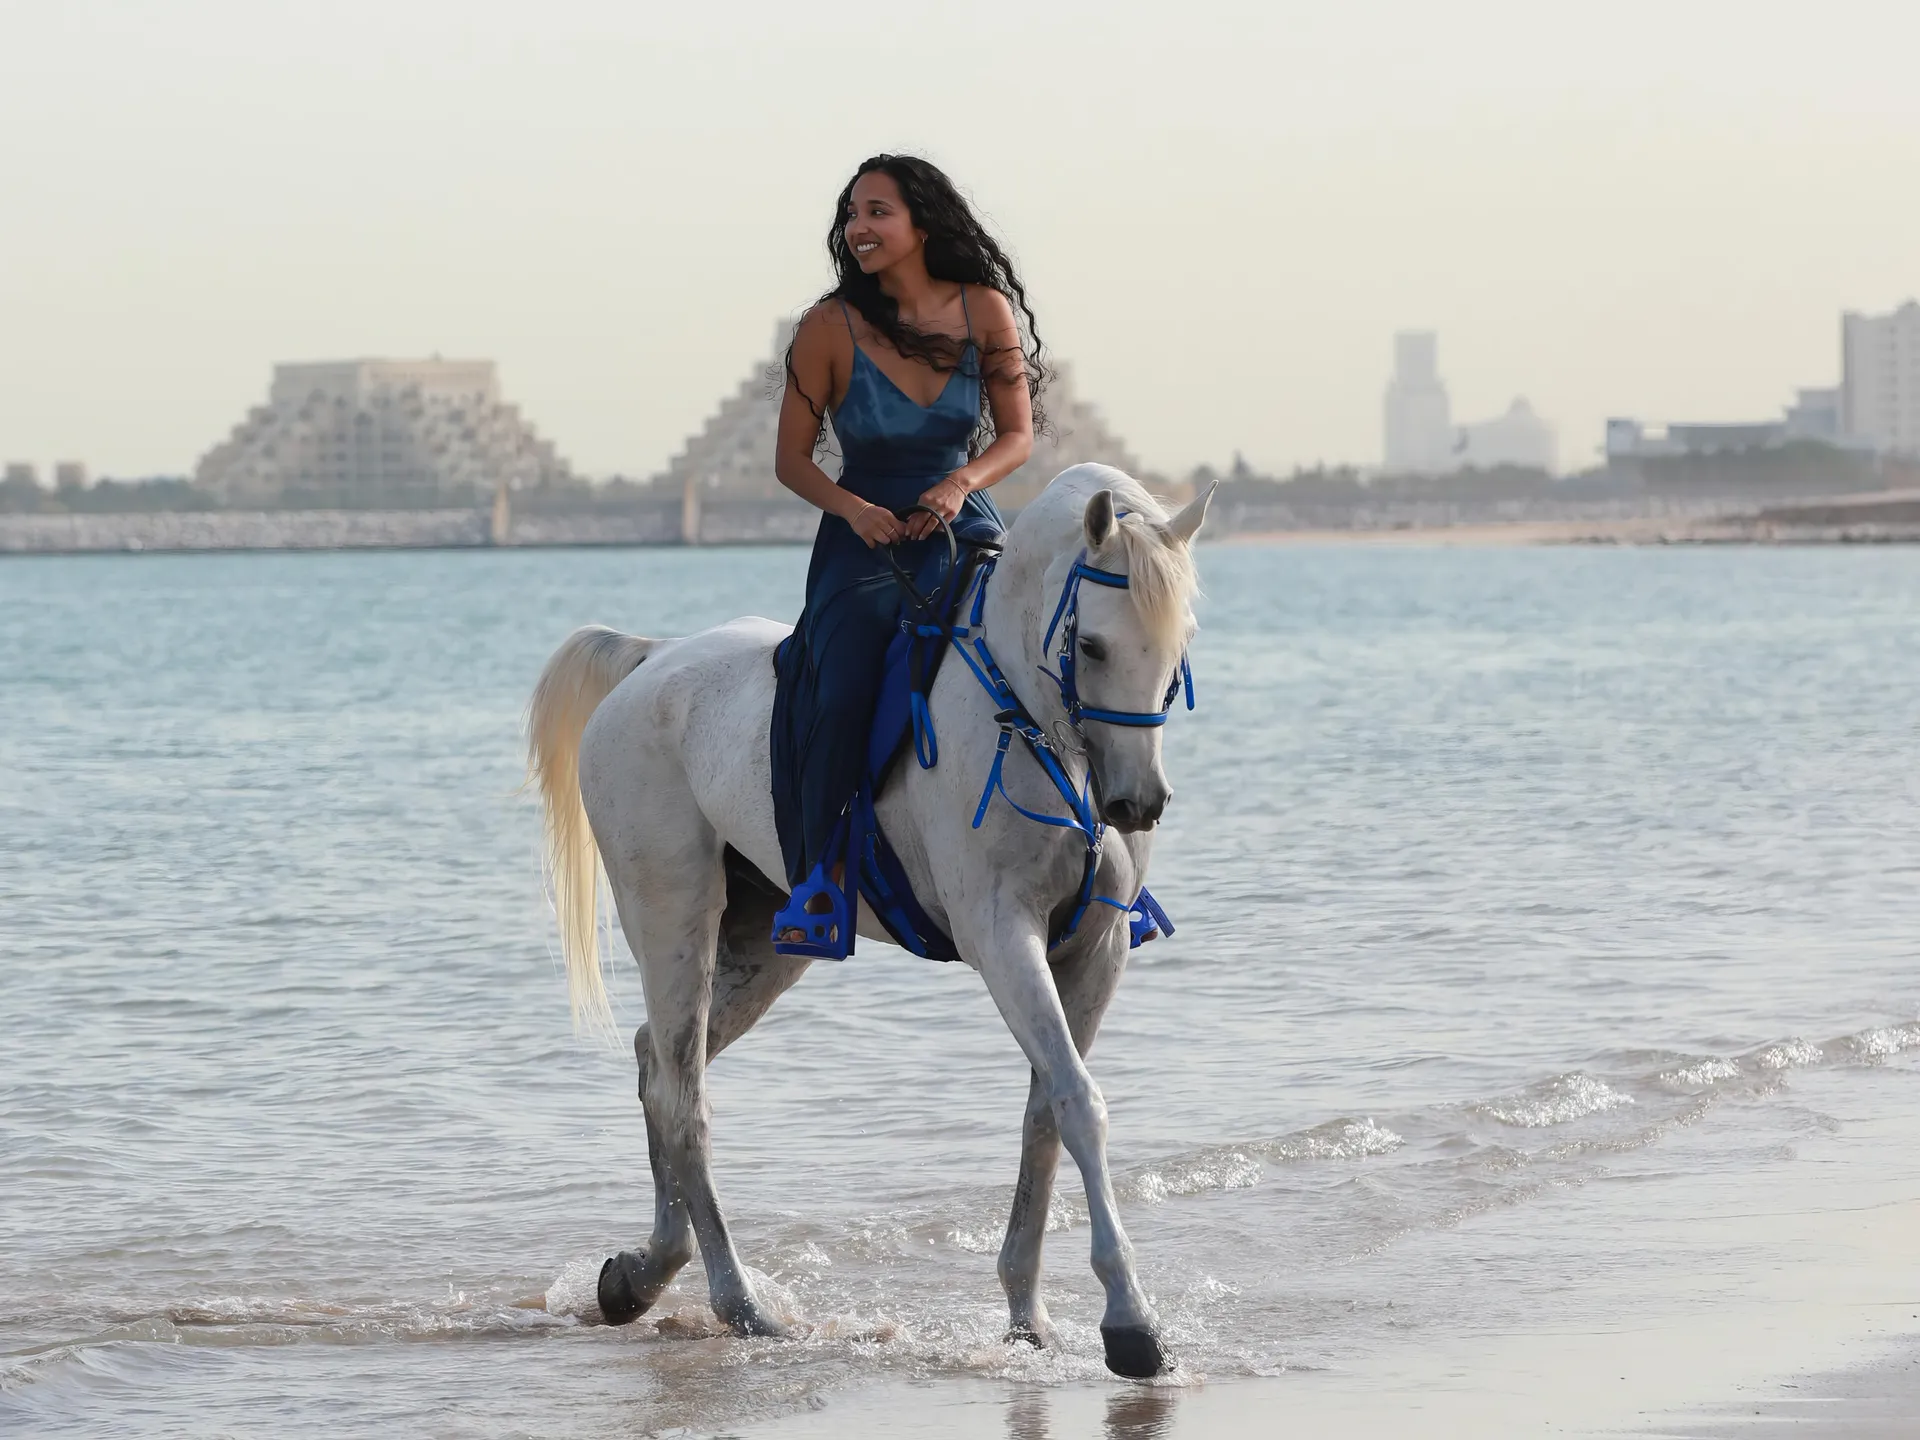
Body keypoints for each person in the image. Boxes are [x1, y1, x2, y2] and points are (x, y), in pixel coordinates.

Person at [769, 154, 1046, 953]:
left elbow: (1017, 437)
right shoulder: (827, 328)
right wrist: (855, 510)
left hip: (962, 521)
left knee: (1051, 647)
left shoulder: (984, 309)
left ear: (922, 223)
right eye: (851, 214)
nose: (858, 227)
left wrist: (960, 484)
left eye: (877, 211)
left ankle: (1108, 865)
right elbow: (791, 462)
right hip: (864, 540)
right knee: (842, 682)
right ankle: (819, 879)